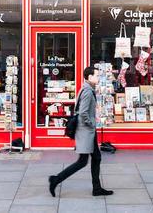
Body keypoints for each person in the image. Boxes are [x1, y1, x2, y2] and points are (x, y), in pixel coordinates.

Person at [48, 66, 114, 197]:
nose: (98, 78)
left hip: (88, 131)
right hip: (86, 130)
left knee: (96, 157)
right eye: (96, 75)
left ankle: (97, 188)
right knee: (82, 161)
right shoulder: (88, 92)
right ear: (89, 77)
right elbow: (83, 112)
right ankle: (55, 180)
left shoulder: (87, 88)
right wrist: (91, 124)